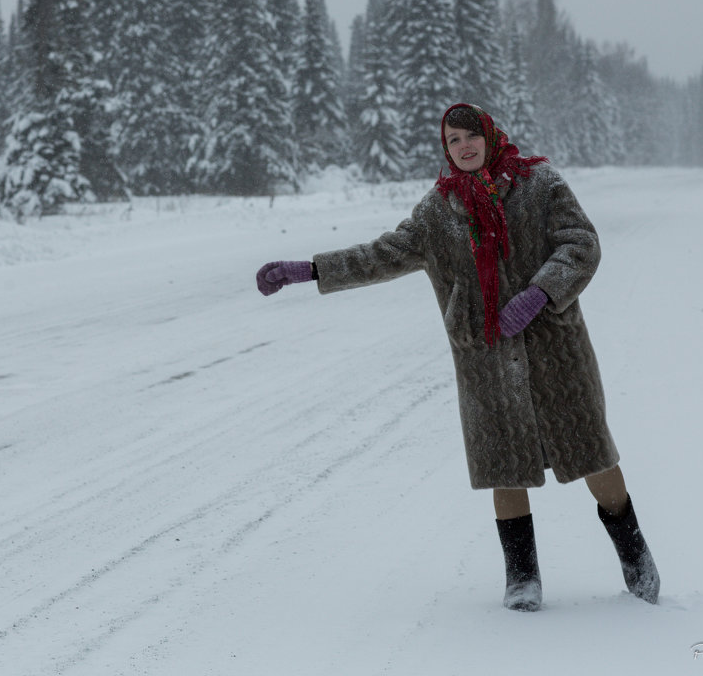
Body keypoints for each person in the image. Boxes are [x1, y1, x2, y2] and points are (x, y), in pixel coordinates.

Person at [255, 103, 659, 611]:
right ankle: (522, 576)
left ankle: (635, 554)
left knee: (591, 455)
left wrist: (540, 293)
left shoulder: (539, 183)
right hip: (485, 360)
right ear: (444, 149)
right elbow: (380, 255)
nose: (464, 146)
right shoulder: (436, 212)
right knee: (504, 466)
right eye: (453, 140)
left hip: (557, 351)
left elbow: (581, 243)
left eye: (471, 135)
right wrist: (310, 270)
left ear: (489, 135)